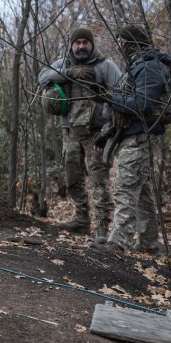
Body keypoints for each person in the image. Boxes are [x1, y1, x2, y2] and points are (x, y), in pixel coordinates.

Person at [93, 24, 171, 255]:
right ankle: (148, 244)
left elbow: (142, 105)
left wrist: (109, 98)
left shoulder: (150, 67)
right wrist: (106, 133)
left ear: (135, 43)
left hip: (142, 137)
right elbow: (125, 109)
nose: (122, 47)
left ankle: (118, 243)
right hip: (133, 135)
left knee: (125, 188)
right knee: (143, 193)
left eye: (125, 43)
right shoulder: (138, 66)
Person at [38, 27, 121, 242]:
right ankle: (81, 220)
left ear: (92, 45)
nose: (81, 46)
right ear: (72, 45)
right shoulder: (63, 64)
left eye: (85, 42)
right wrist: (69, 73)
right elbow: (42, 77)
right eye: (77, 43)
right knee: (72, 178)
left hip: (97, 135)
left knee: (99, 180)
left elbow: (123, 91)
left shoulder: (105, 66)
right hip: (70, 133)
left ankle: (102, 228)